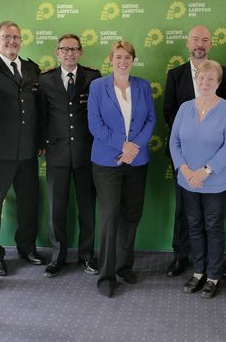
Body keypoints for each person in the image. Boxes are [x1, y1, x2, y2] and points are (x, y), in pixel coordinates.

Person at [0, 21, 45, 276]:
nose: (12, 41)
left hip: (27, 150)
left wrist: (40, 141)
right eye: (6, 37)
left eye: (16, 37)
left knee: (29, 203)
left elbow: (38, 110)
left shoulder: (31, 69)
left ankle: (26, 248)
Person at [163, 25, 226, 278]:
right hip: (184, 160)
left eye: (205, 40)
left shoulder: (222, 74)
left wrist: (206, 165)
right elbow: (169, 112)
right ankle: (181, 257)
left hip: (213, 164)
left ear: (211, 44)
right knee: (185, 212)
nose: (199, 44)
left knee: (213, 220)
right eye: (195, 39)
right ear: (187, 43)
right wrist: (187, 157)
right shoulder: (175, 74)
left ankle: (214, 265)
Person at [87, 40, 156, 297]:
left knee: (131, 215)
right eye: (118, 56)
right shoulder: (97, 87)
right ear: (110, 59)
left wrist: (134, 147)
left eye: (127, 56)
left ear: (133, 60)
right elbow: (95, 124)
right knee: (109, 216)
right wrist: (122, 146)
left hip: (137, 160)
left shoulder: (143, 86)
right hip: (107, 162)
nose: (123, 61)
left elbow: (150, 119)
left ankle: (124, 267)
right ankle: (106, 275)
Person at [169, 60, 226, 298]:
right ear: (196, 80)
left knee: (213, 227)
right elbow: (174, 142)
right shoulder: (184, 107)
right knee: (194, 227)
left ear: (218, 82)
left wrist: (205, 171)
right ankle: (198, 272)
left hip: (215, 182)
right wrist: (185, 170)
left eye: (211, 79)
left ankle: (213, 275)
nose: (205, 82)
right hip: (188, 180)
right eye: (201, 78)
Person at [38, 34, 101, 277]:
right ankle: (57, 257)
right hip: (57, 153)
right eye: (65, 49)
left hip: (87, 152)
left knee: (87, 207)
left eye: (74, 49)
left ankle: (87, 256)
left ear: (81, 52)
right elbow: (41, 115)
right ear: (57, 52)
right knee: (57, 209)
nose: (69, 53)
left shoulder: (93, 78)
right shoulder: (45, 80)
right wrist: (42, 143)